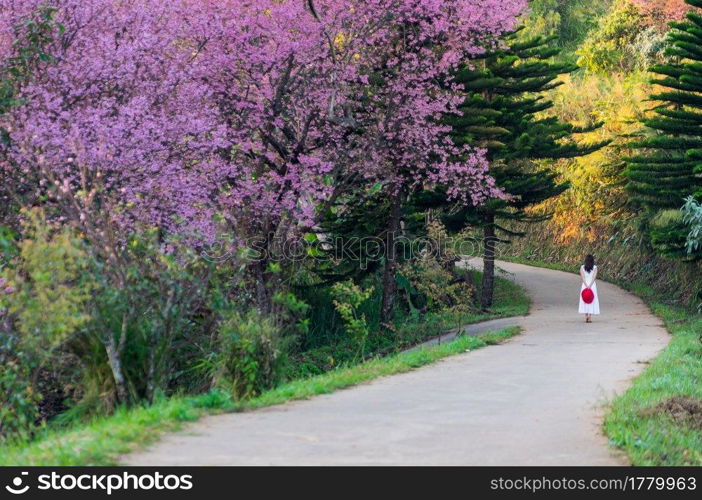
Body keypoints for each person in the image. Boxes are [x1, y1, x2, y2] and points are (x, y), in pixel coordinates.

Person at [579, 254, 600, 323]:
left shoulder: (582, 267)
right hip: (592, 285)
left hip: (584, 285)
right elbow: (594, 277)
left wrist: (586, 285)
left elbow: (582, 277)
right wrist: (590, 285)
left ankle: (586, 316)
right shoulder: (595, 268)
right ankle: (590, 317)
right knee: (591, 300)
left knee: (585, 300)